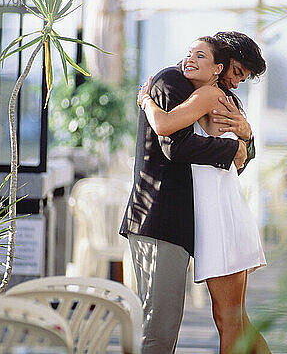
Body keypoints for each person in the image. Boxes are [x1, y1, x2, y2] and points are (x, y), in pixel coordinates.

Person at [120, 31, 267, 353]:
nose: (237, 82)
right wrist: (234, 148)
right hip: (161, 216)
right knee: (164, 323)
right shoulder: (172, 81)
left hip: (207, 217)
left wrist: (246, 138)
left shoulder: (216, 95)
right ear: (223, 63)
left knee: (231, 319)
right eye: (237, 73)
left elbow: (237, 162)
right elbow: (176, 145)